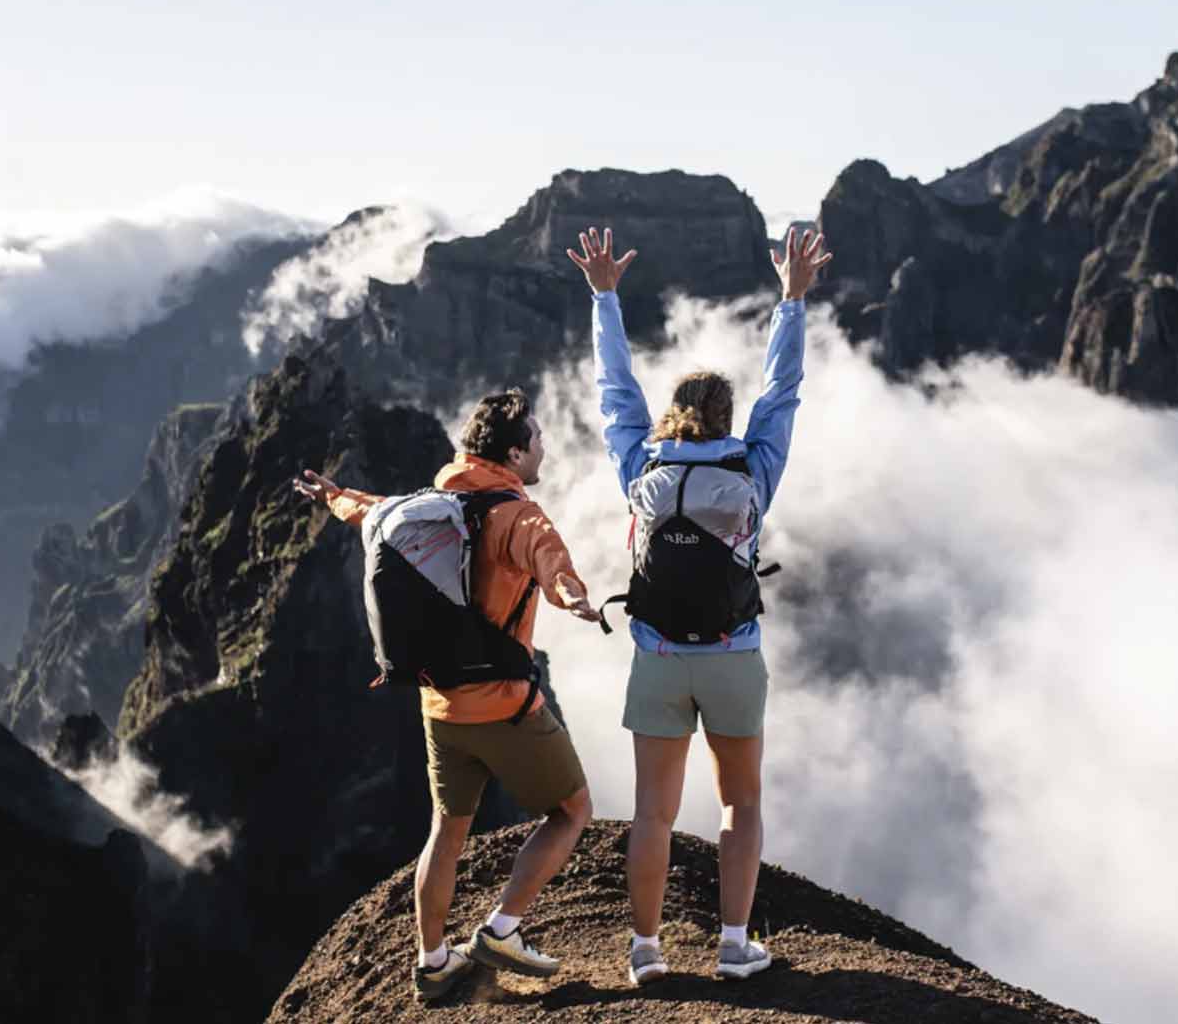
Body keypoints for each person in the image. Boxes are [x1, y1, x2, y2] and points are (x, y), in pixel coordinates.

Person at [566, 224, 831, 985]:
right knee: (739, 804)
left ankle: (645, 951)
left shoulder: (640, 467)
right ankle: (734, 945)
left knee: (653, 811)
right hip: (732, 655)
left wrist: (605, 297)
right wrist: (791, 300)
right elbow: (783, 391)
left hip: (656, 656)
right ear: (726, 418)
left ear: (675, 415)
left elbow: (614, 391)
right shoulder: (753, 467)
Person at [293, 389, 600, 1004]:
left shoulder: (433, 505)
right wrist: (574, 597)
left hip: (439, 706)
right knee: (572, 811)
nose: (543, 447)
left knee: (446, 830)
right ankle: (502, 930)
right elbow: (550, 560)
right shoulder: (518, 515)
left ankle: (433, 962)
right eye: (537, 439)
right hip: (504, 706)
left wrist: (332, 496)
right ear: (514, 455)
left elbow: (369, 511)